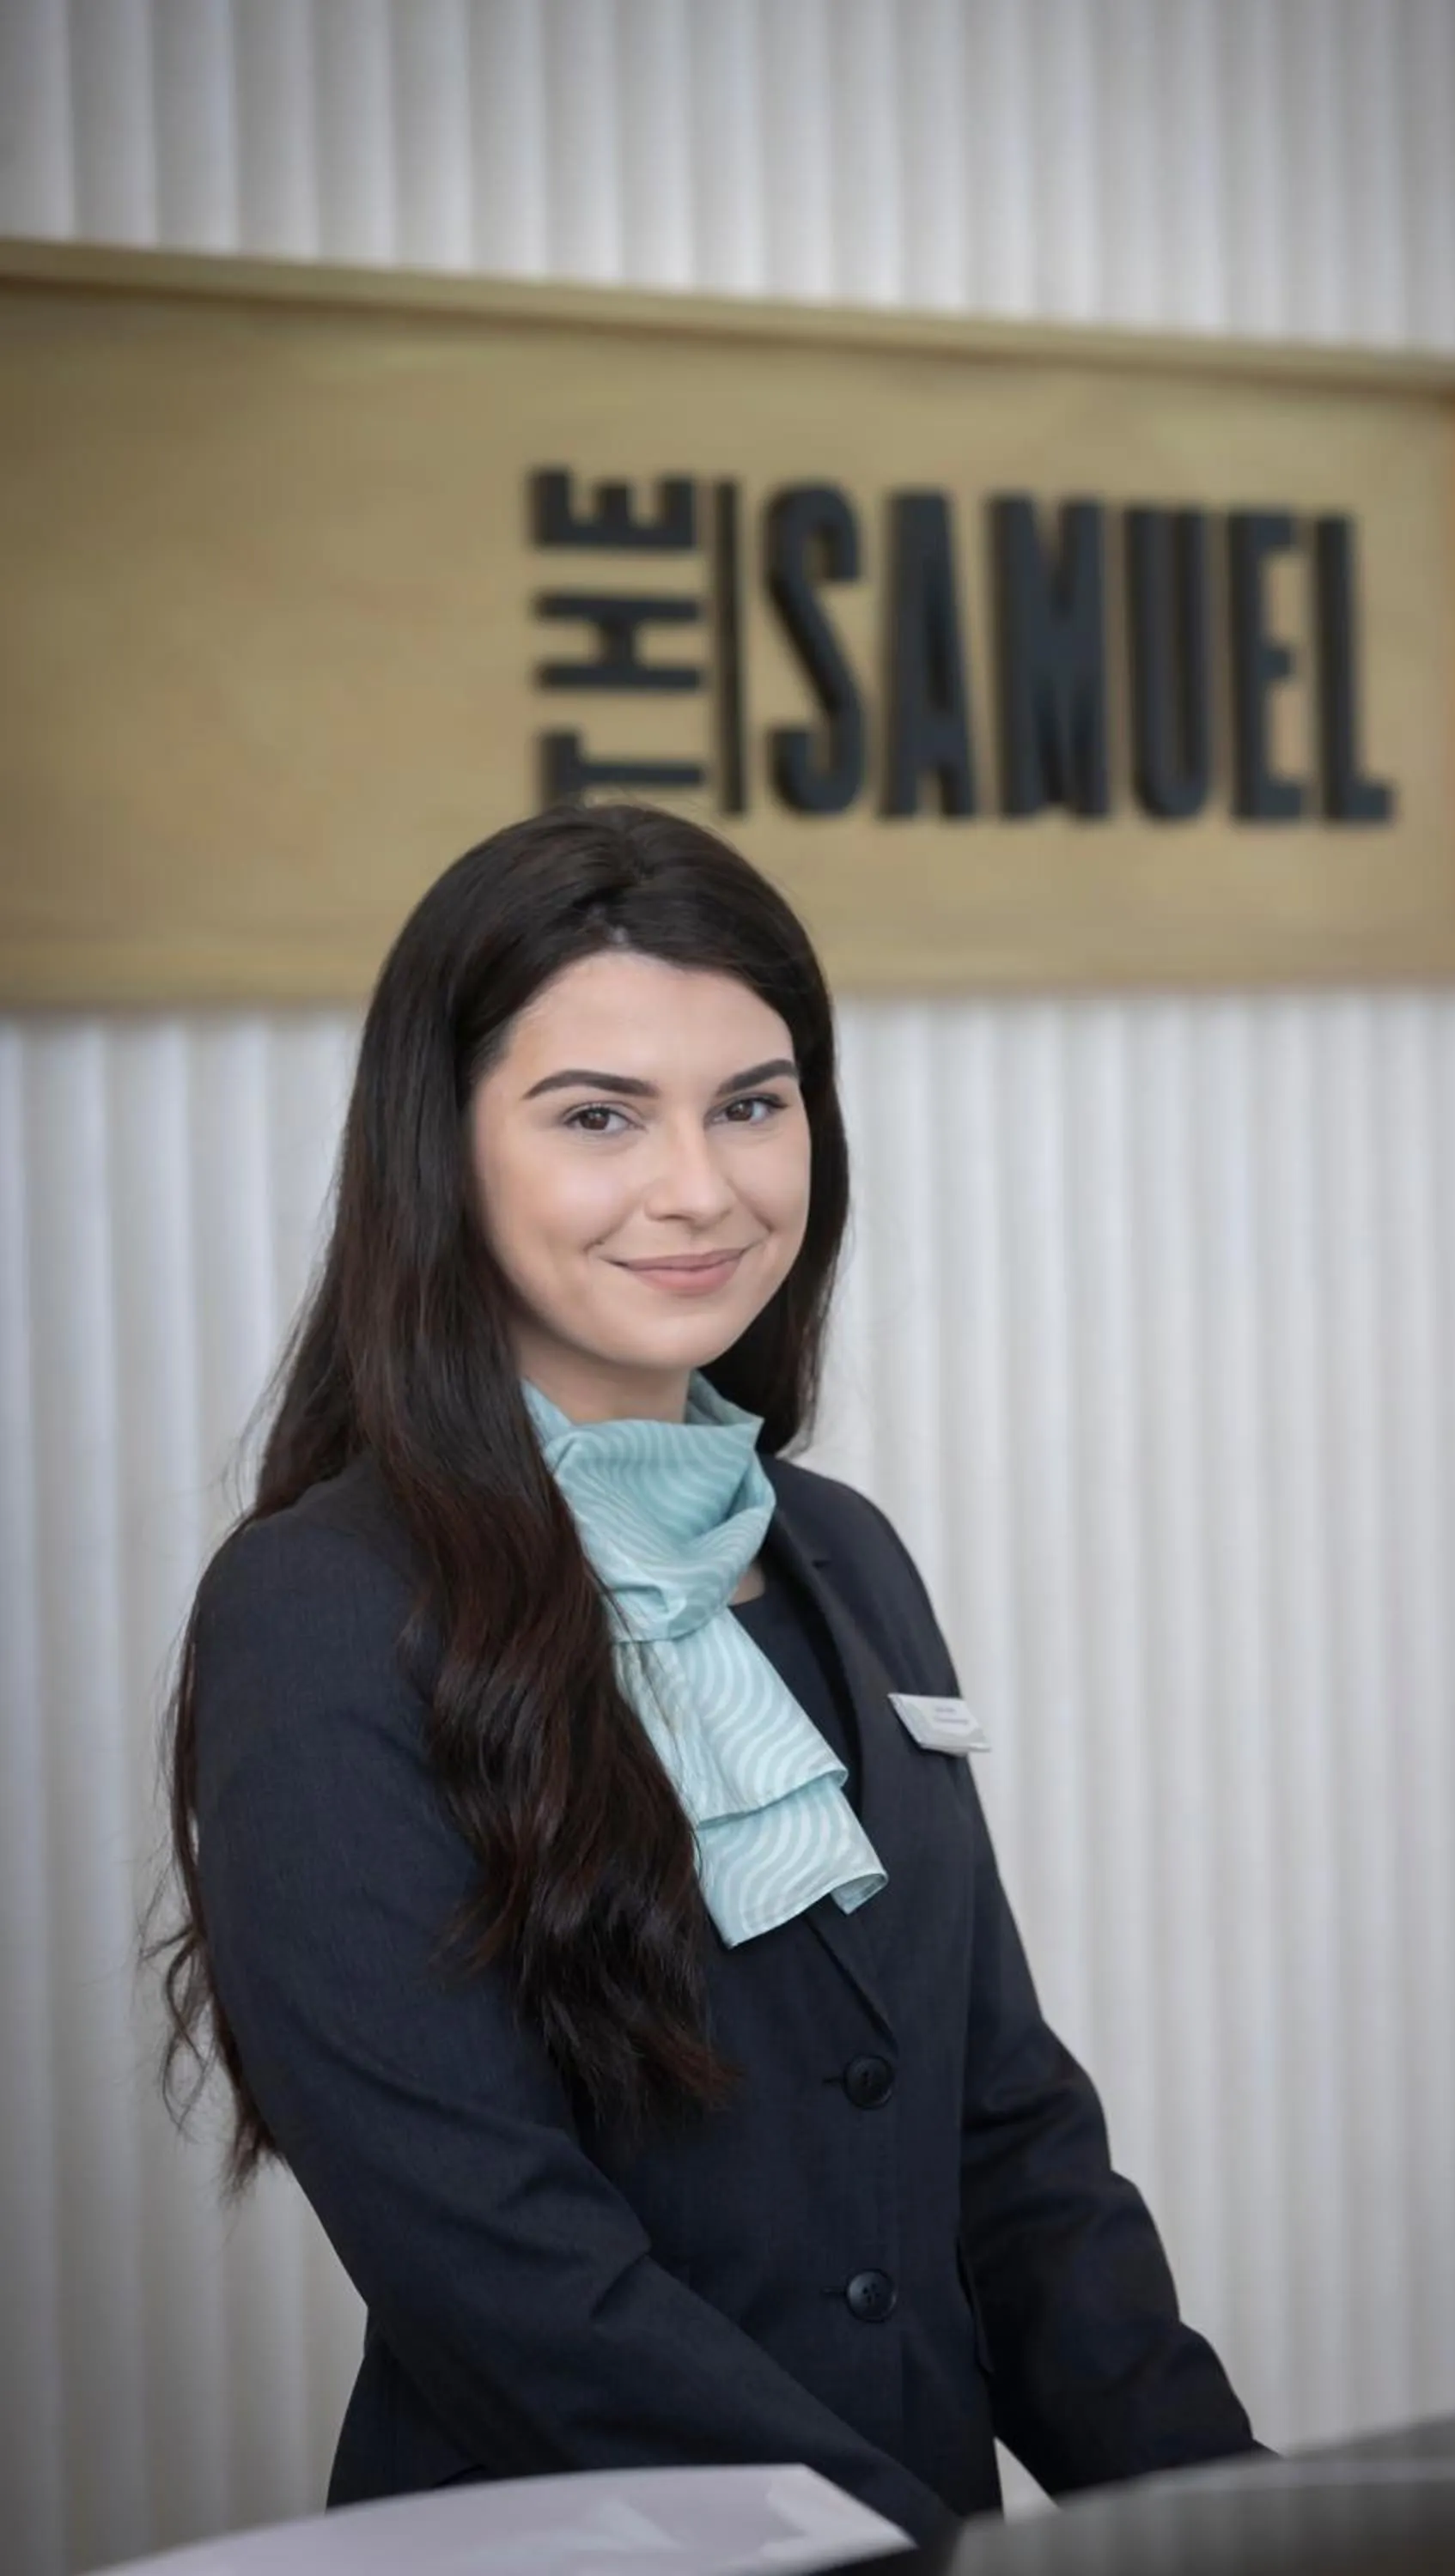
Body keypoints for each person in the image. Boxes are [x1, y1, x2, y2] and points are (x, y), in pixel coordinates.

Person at [152, 799, 1262, 2547]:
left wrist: (1247, 2520)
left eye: (752, 1103)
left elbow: (1009, 2146)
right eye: (599, 1116)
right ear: (443, 1152)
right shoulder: (318, 1611)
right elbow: (503, 2272)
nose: (702, 1187)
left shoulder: (843, 1555)